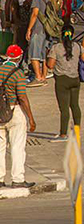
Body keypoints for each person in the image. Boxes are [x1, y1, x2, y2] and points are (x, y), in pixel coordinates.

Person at [0, 44, 36, 188]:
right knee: (17, 146)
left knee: (0, 146)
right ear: (19, 57)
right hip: (14, 111)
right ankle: (18, 179)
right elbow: (22, 97)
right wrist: (31, 118)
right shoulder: (18, 73)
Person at [46, 25, 84, 142]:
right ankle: (77, 131)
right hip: (75, 79)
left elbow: (50, 65)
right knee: (75, 105)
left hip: (62, 80)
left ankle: (63, 134)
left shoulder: (56, 48)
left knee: (64, 108)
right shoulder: (78, 47)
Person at [26, 0, 49, 88]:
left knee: (34, 54)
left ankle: (38, 77)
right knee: (43, 55)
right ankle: (44, 76)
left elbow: (35, 13)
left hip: (37, 29)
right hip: (46, 29)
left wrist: (29, 29)